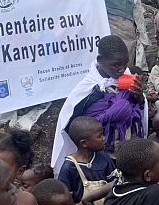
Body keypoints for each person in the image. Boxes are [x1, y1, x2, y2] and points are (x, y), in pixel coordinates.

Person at [52, 36, 148, 170]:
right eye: (116, 64)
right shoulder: (88, 90)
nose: (122, 69)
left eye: (125, 63)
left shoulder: (129, 78)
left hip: (126, 148)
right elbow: (72, 125)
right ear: (100, 61)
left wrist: (139, 97)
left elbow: (139, 112)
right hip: (99, 154)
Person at [57, 117, 116, 205]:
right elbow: (68, 201)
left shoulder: (103, 158)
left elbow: (114, 184)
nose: (104, 138)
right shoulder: (69, 168)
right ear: (84, 143)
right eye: (100, 136)